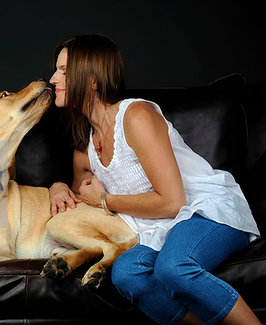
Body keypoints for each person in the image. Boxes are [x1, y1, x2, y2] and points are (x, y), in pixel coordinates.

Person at [48, 34, 261, 325]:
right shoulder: (84, 149)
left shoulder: (136, 116)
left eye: (64, 71)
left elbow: (173, 202)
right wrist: (56, 187)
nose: (53, 78)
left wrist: (106, 201)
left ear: (93, 80)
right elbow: (80, 196)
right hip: (159, 230)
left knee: (173, 268)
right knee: (126, 274)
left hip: (206, 211)